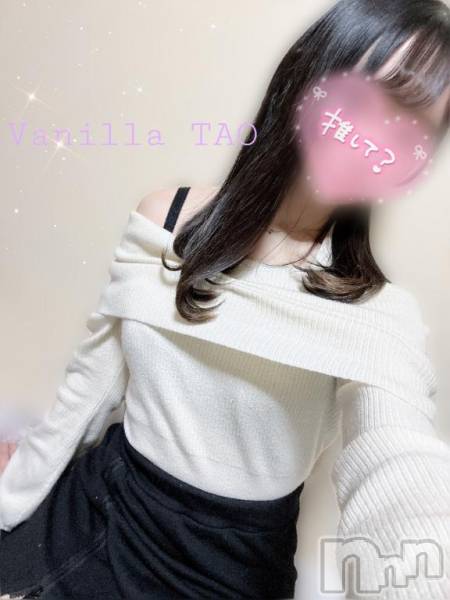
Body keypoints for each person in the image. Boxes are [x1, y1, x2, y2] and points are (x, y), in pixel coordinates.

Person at [1, 1, 450, 598]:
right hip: (104, 512)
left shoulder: (377, 312)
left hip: (230, 569)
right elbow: (92, 382)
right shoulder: (166, 216)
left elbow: (398, 459)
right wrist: (11, 498)